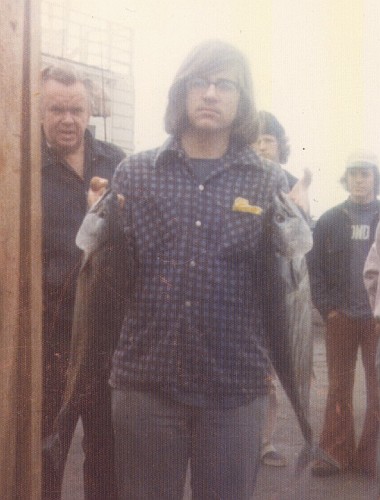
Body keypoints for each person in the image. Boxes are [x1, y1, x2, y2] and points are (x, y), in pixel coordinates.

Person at [89, 39, 298, 499]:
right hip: (146, 385)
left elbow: (284, 288)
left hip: (234, 389)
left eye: (225, 84)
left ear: (240, 100)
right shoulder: (135, 173)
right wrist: (105, 245)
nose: (210, 94)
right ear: (181, 93)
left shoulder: (266, 180)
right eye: (199, 82)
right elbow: (114, 284)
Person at [41, 64, 125, 499]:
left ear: (91, 111)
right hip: (47, 345)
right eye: (57, 109)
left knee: (108, 459)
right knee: (42, 459)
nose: (68, 120)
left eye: (76, 109)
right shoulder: (18, 168)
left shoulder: (119, 164)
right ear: (40, 109)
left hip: (107, 341)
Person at [308, 150, 380, 477]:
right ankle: (334, 454)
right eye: (353, 174)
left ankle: (368, 458)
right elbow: (314, 267)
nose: (359, 179)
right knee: (338, 386)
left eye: (365, 173)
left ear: (375, 178)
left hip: (376, 317)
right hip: (342, 317)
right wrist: (327, 308)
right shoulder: (330, 219)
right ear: (345, 179)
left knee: (377, 386)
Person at [252, 110, 312, 467]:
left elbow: (304, 241)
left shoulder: (290, 185)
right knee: (253, 370)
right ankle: (248, 437)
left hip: (281, 291)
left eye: (269, 140)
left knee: (273, 374)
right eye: (256, 140)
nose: (262, 146)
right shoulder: (240, 180)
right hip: (247, 291)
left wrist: (302, 207)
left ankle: (266, 442)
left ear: (280, 145)